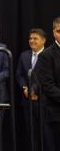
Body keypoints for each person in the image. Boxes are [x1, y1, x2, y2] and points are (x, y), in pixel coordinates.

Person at [16, 28, 47, 151]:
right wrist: (25, 88)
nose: (32, 41)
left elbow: (46, 77)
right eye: (30, 38)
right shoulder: (24, 55)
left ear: (43, 41)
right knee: (31, 132)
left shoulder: (49, 55)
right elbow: (19, 75)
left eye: (35, 38)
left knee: (45, 133)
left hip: (44, 102)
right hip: (27, 101)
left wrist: (34, 90)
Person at [34, 17, 60, 151]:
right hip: (56, 113)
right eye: (59, 31)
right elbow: (48, 86)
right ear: (54, 32)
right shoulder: (46, 55)